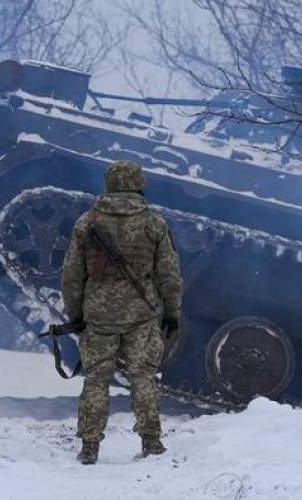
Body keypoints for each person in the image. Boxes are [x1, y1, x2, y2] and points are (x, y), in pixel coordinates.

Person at [61, 160, 183, 465]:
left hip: (99, 316)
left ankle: (89, 446)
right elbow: (169, 274)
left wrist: (75, 314)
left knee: (96, 379)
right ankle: (152, 443)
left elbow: (71, 275)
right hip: (142, 314)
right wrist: (172, 313)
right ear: (138, 184)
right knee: (143, 376)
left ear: (110, 184)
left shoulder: (87, 223)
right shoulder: (154, 223)